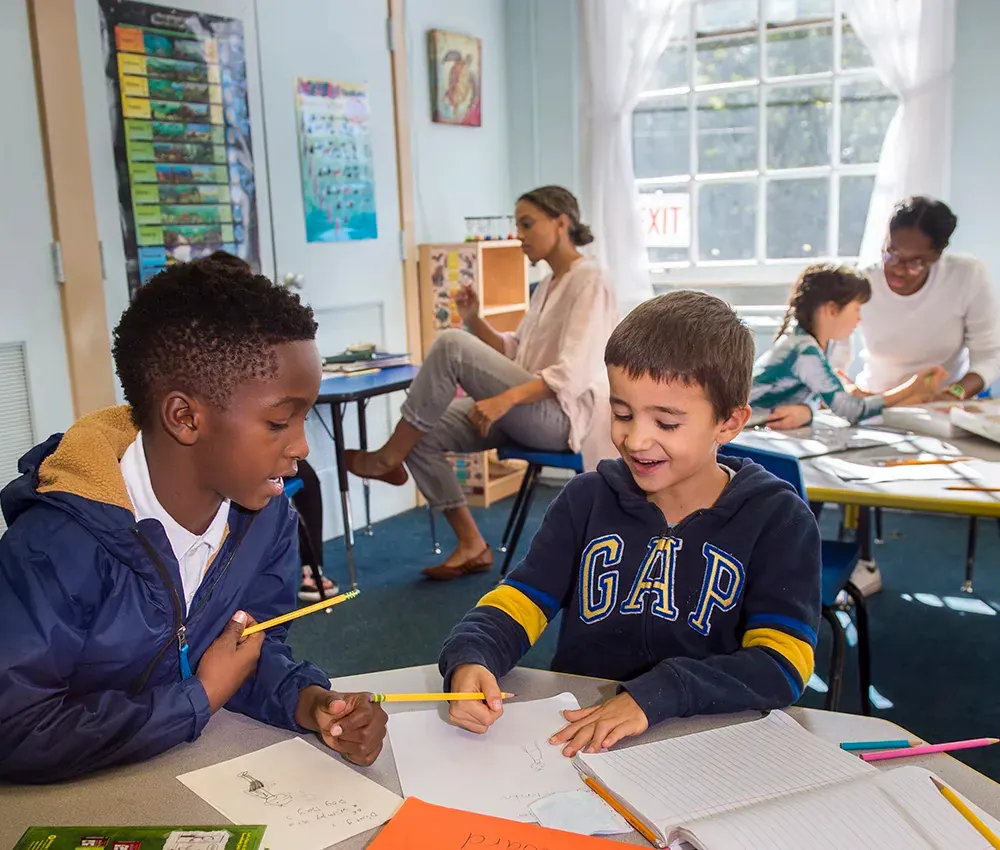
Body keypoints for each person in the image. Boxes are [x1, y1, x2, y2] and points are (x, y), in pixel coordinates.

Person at [0, 259, 386, 783]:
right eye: (279, 422)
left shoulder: (267, 520)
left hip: (184, 768)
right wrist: (197, 700)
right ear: (185, 417)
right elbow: (15, 730)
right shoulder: (55, 546)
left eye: (303, 417)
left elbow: (247, 650)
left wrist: (306, 700)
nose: (301, 446)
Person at [438, 291, 821, 756]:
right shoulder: (586, 499)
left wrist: (660, 693)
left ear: (729, 422)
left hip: (708, 736)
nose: (636, 439)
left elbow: (783, 663)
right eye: (622, 413)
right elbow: (521, 599)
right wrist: (472, 655)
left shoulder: (778, 519)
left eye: (667, 423)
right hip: (584, 733)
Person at [345, 186, 619, 580]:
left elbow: (571, 374)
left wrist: (504, 400)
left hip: (561, 418)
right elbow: (515, 351)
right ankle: (471, 543)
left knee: (450, 344)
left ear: (561, 223)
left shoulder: (590, 280)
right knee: (422, 431)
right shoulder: (548, 285)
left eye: (527, 224)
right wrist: (474, 320)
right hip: (527, 407)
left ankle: (386, 459)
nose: (519, 235)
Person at [751, 264, 946, 429]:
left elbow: (819, 400)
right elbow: (851, 410)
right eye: (856, 309)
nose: (859, 318)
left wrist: (807, 411)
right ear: (832, 310)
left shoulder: (817, 344)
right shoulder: (804, 350)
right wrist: (911, 388)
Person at [855, 197, 1000, 402]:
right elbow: (832, 360)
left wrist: (954, 394)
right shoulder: (863, 283)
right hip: (874, 402)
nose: (897, 269)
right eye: (891, 253)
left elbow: (990, 357)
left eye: (915, 263)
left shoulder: (965, 276)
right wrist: (854, 396)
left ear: (937, 255)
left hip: (941, 405)